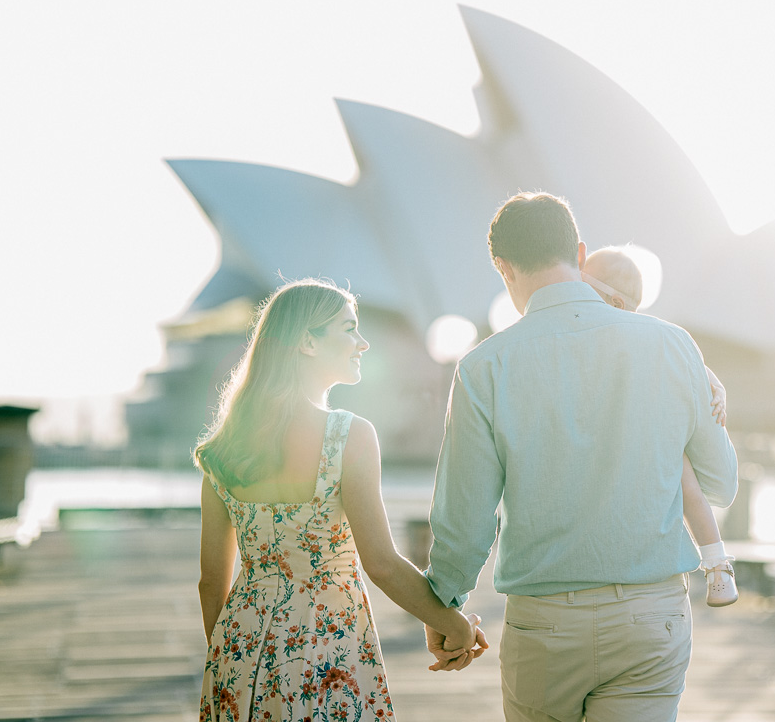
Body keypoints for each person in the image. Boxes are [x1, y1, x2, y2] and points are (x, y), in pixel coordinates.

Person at [425, 192, 739, 722]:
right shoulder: (671, 345)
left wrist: (444, 604)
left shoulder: (483, 368)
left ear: (503, 267)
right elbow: (722, 484)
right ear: (579, 249)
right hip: (650, 618)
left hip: (545, 626)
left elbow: (466, 520)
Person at [194, 278, 488, 722]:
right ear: (308, 343)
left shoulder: (223, 448)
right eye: (349, 329)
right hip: (326, 646)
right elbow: (382, 564)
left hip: (239, 649)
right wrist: (453, 624)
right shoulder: (347, 435)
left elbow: (210, 583)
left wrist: (229, 656)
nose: (363, 343)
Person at [580, 246, 739, 607]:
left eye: (582, 287)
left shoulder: (627, 335)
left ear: (616, 303)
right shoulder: (659, 337)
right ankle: (716, 563)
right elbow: (694, 366)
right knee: (686, 484)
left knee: (688, 485)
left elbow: (695, 369)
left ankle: (717, 563)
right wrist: (715, 384)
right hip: (648, 429)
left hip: (646, 427)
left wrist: (715, 386)